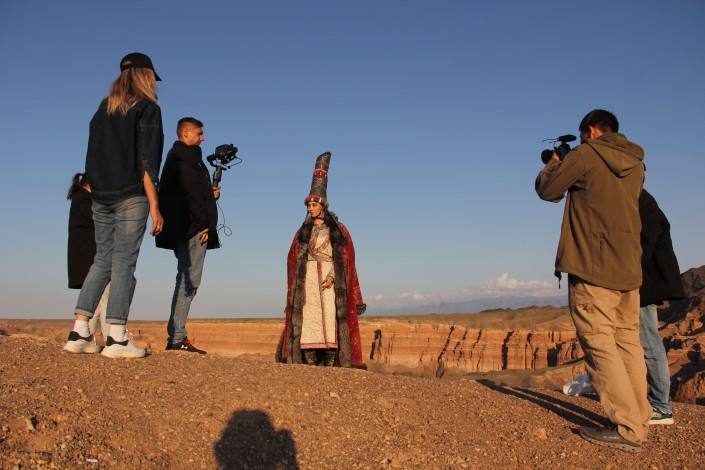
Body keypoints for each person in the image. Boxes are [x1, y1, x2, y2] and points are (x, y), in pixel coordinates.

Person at [535, 109, 650, 452]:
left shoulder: (587, 154)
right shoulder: (637, 164)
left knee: (599, 344)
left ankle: (627, 428)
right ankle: (639, 420)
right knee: (627, 343)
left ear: (590, 131)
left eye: (583, 135)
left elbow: (548, 190)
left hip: (592, 267)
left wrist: (556, 161)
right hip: (628, 268)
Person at [63, 52, 164, 359]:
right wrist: (155, 205)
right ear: (145, 76)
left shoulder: (103, 108)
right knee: (123, 263)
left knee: (101, 261)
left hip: (100, 195)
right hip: (131, 194)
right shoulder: (148, 107)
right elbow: (148, 161)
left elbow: (91, 155)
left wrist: (97, 190)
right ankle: (117, 337)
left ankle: (80, 332)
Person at [276, 152, 366, 368]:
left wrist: (333, 276)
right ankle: (309, 360)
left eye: (313, 205)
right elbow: (293, 257)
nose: (310, 208)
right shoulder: (303, 231)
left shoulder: (338, 229)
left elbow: (346, 258)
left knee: (330, 317)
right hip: (307, 279)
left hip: (328, 278)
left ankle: (332, 361)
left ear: (322, 206)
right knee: (308, 318)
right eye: (308, 206)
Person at [156, 117, 220, 354]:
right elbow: (190, 189)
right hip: (192, 228)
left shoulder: (182, 156)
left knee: (186, 278)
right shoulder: (185, 155)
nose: (202, 138)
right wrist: (203, 223)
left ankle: (176, 336)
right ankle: (177, 338)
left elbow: (189, 188)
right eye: (199, 134)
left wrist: (209, 194)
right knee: (189, 280)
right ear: (185, 133)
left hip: (186, 226)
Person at [639, 188, 685, 425]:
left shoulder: (642, 201)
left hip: (642, 284)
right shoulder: (643, 200)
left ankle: (661, 405)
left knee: (648, 340)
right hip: (642, 281)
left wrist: (630, 269)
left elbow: (646, 242)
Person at [64, 173, 110, 349]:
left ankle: (85, 337)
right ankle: (111, 338)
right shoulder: (84, 199)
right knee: (104, 295)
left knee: (96, 298)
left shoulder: (81, 198)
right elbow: (98, 220)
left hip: (87, 255)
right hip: (89, 256)